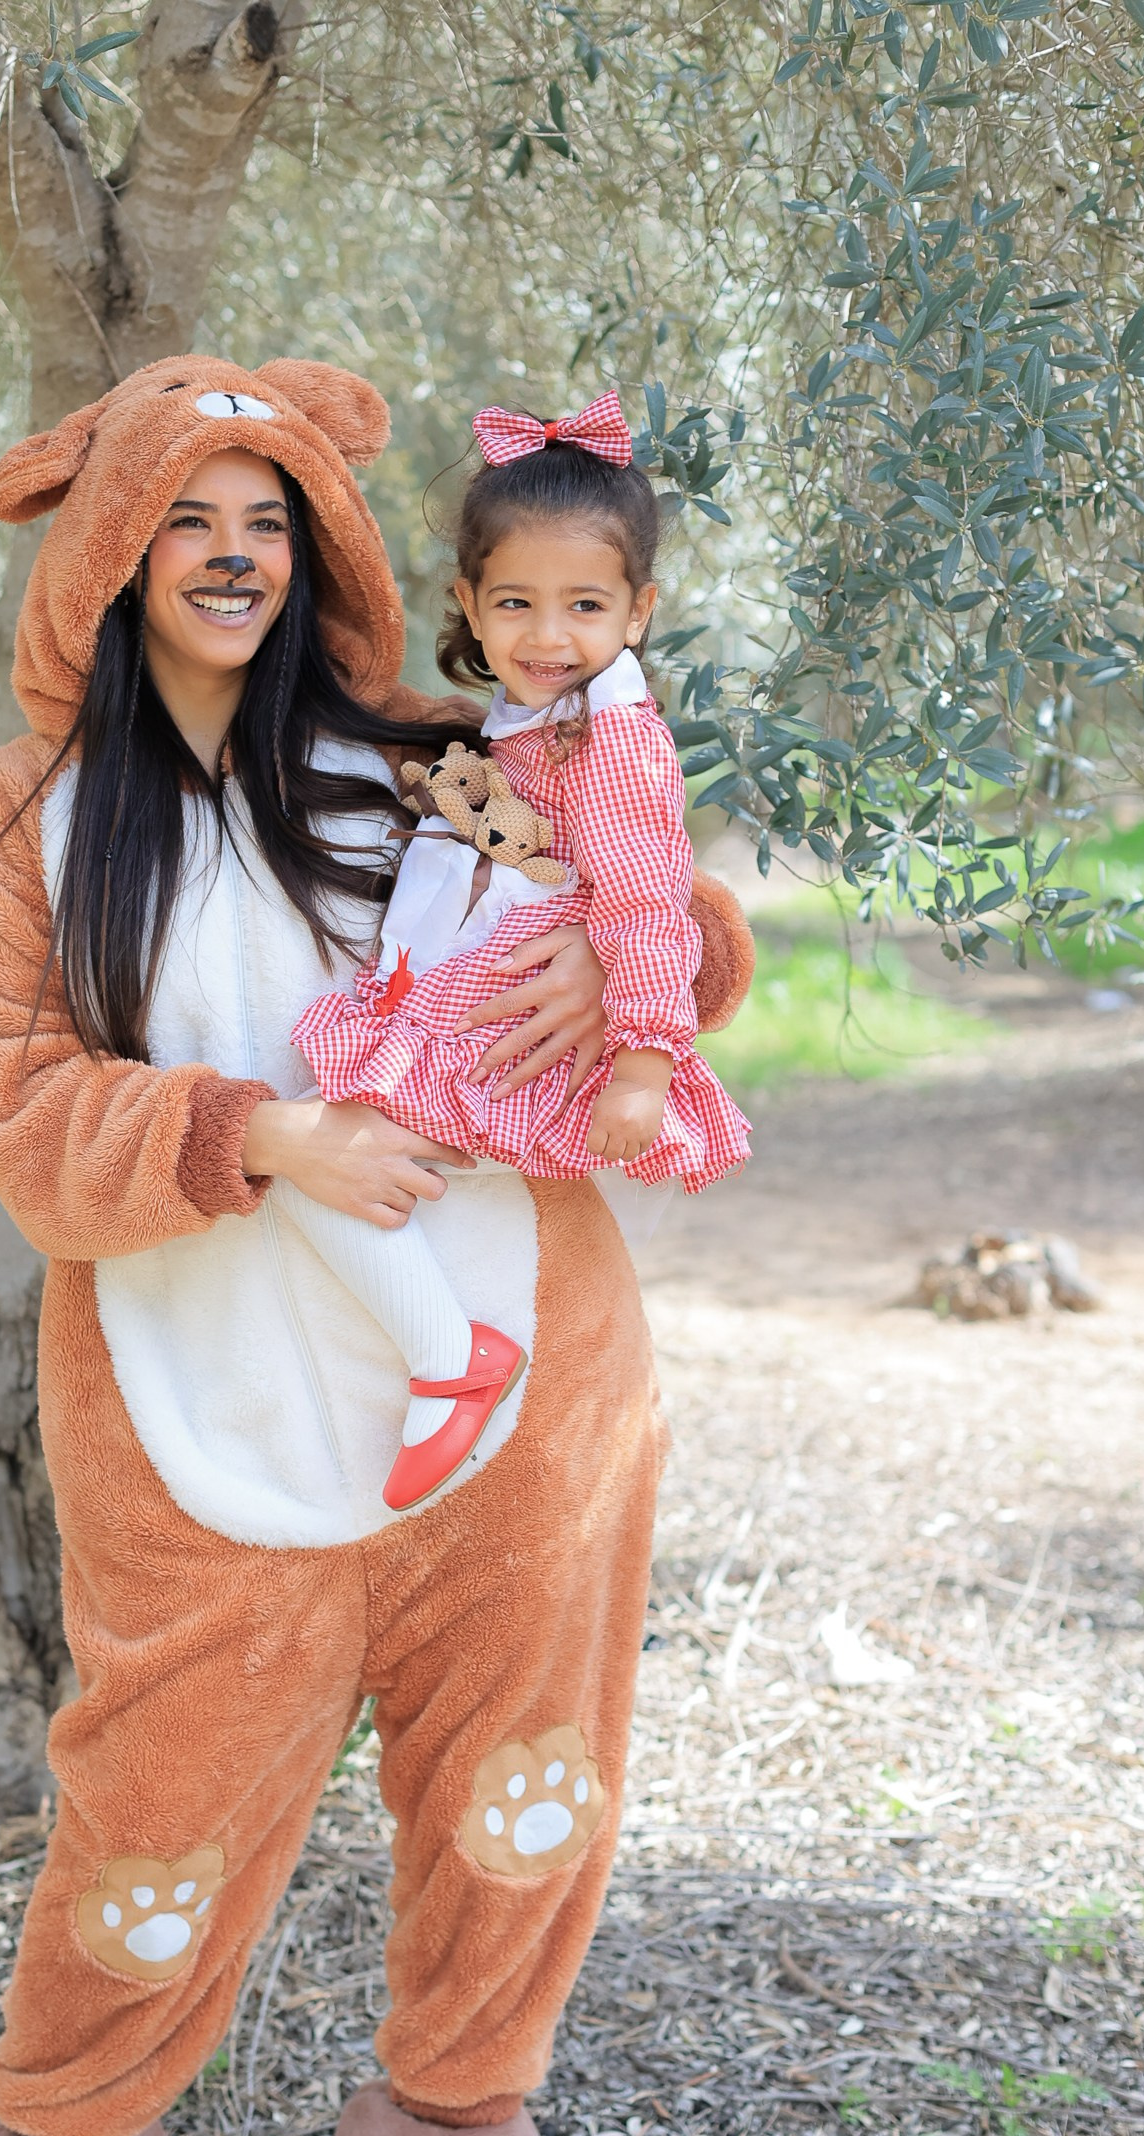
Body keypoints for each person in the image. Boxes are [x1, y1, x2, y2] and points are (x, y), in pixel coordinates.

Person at [0, 357, 752, 2136]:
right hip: (205, 1389)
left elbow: (670, 915)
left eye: (267, 521)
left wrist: (630, 964)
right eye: (187, 518)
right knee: (158, 1785)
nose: (231, 556)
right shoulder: (31, 817)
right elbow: (18, 1110)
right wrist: (267, 1134)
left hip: (520, 1383)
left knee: (520, 1769)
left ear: (320, 552)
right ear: (111, 550)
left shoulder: (434, 748)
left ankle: (454, 2120)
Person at [291, 390, 751, 1510]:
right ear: (469, 604)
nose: (549, 637)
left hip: (524, 1013)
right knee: (326, 1158)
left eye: (585, 605)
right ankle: (440, 1359)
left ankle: (451, 1360)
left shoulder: (616, 738)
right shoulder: (524, 716)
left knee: (320, 1165)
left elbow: (644, 903)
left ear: (638, 612)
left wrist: (643, 1062)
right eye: (517, 604)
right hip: (488, 979)